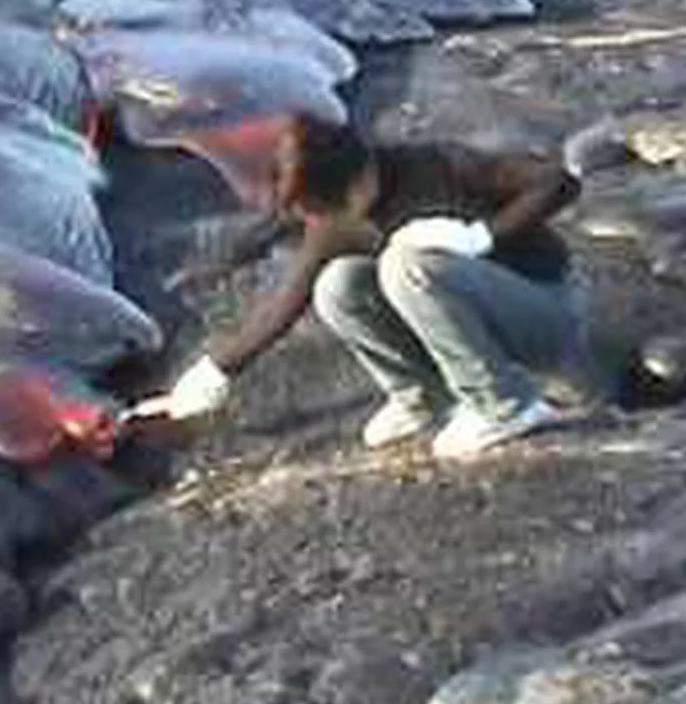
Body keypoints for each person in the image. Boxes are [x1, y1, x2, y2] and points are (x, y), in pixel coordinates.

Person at [131, 115, 590, 459]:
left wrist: (481, 236)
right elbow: (285, 304)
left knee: (407, 264)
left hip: (542, 311)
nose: (322, 222)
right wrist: (211, 375)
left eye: (324, 207)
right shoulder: (337, 220)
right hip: (474, 318)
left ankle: (505, 405)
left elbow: (559, 182)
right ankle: (426, 399)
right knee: (337, 285)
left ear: (357, 180)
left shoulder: (442, 165)